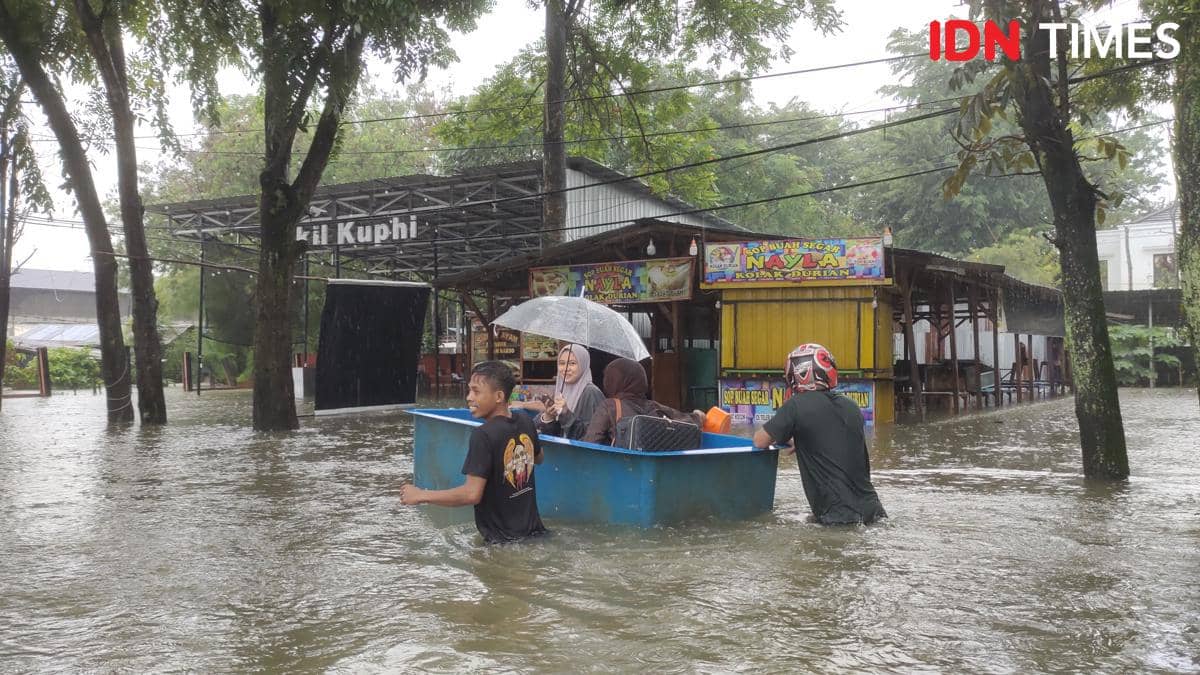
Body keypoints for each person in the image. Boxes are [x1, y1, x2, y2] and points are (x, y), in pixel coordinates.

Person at [400, 361, 547, 544]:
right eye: (469, 391)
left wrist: (421, 495)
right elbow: (539, 459)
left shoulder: (483, 435)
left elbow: (471, 494)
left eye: (476, 392)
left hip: (503, 544)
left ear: (499, 396)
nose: (469, 397)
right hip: (535, 535)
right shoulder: (525, 420)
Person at [752, 344, 886, 525]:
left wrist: (793, 437)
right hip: (874, 510)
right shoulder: (852, 407)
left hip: (838, 516)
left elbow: (760, 441)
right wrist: (803, 440)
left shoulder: (796, 406)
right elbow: (836, 444)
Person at [583, 357, 704, 446]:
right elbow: (687, 420)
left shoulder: (609, 406)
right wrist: (698, 415)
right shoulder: (654, 406)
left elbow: (591, 442)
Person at [536, 344, 606, 440]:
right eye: (562, 363)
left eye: (572, 363)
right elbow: (556, 435)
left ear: (583, 365)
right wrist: (549, 417)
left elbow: (592, 436)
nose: (566, 368)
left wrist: (566, 414)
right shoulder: (560, 391)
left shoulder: (591, 393)